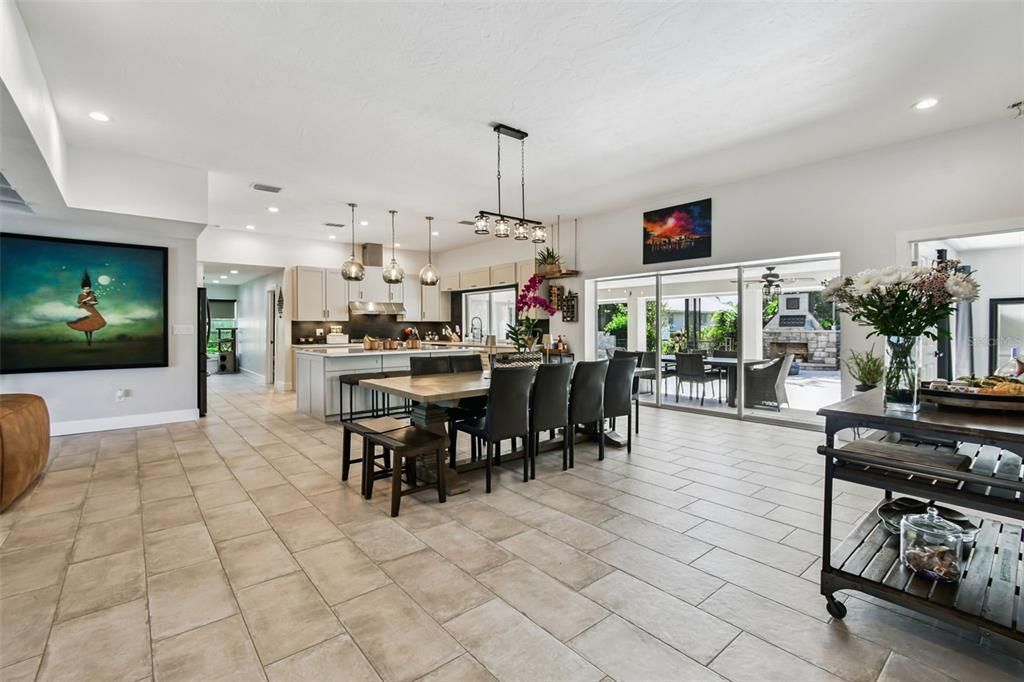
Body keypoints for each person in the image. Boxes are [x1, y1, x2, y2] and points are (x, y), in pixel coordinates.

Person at [67, 270, 107, 346]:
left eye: (88, 289)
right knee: (84, 324)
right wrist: (85, 300)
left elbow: (96, 302)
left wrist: (92, 302)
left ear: (90, 288)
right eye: (85, 289)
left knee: (91, 325)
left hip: (91, 310)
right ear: (83, 289)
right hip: (83, 310)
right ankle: (87, 338)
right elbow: (79, 302)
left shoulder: (92, 294)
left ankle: (90, 339)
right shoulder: (81, 295)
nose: (87, 290)